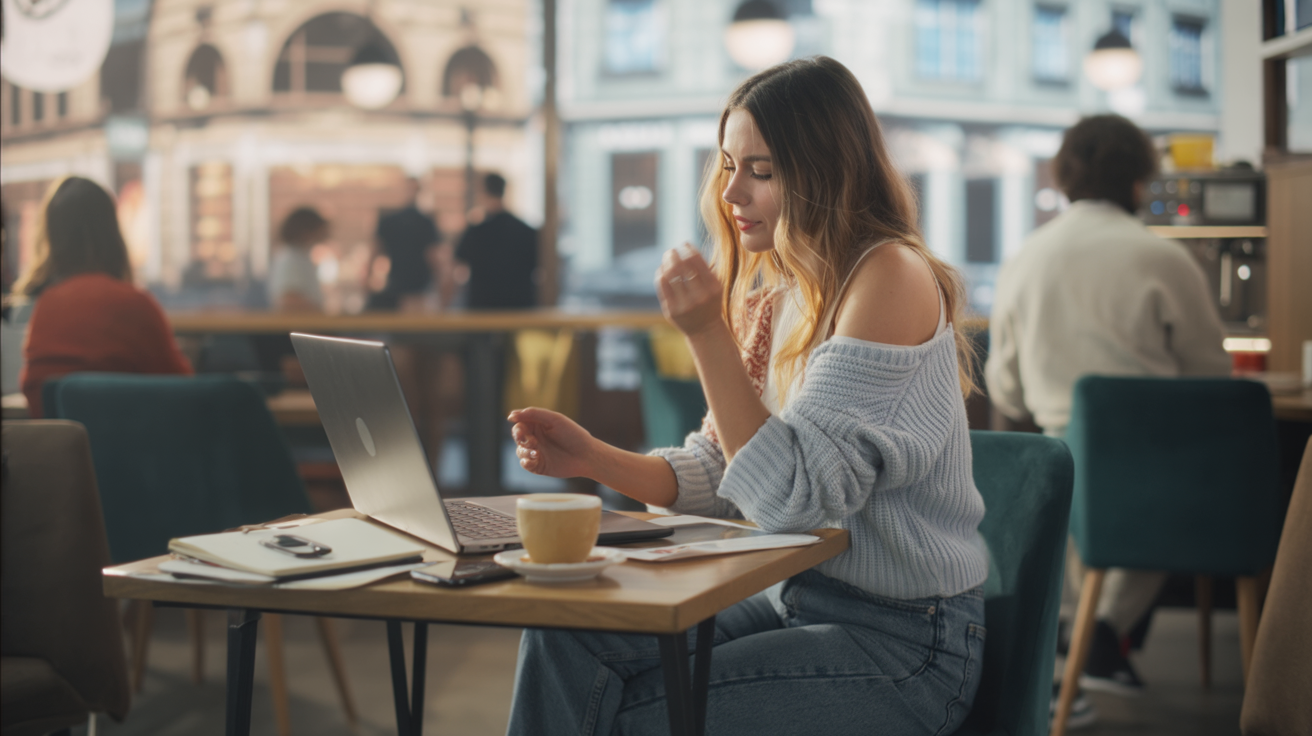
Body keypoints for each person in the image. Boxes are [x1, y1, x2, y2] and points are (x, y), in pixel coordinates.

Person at [504, 57, 987, 736]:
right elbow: (721, 469)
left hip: (905, 642)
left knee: (632, 720)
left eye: (761, 171)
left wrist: (706, 334)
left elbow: (792, 503)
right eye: (729, 165)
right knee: (565, 633)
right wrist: (592, 458)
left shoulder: (889, 275)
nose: (731, 192)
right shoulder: (784, 291)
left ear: (826, 173)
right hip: (792, 600)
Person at [985, 115, 1229, 699]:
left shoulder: (1026, 257)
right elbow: (1211, 376)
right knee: (1177, 489)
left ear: (1064, 174)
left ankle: (1083, 635)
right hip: (1154, 456)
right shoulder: (1164, 258)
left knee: (1076, 501)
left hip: (1058, 455)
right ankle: (1104, 635)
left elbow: (1007, 387)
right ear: (1139, 179)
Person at [15, 177, 192, 418]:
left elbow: (34, 394)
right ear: (112, 233)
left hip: (57, 441)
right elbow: (184, 392)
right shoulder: (134, 304)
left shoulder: (45, 306)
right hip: (126, 441)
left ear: (50, 238)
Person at [455, 173, 538, 309]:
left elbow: (458, 268)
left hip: (483, 310)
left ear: (483, 191)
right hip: (520, 309)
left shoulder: (477, 232)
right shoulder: (526, 231)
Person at [369, 177, 442, 311]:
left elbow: (373, 255)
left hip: (397, 291)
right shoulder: (425, 223)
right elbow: (434, 260)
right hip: (417, 293)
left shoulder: (389, 221)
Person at [267, 206, 328, 312]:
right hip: (298, 321)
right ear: (306, 231)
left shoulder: (301, 257)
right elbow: (288, 299)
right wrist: (318, 311)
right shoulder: (289, 259)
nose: (322, 235)